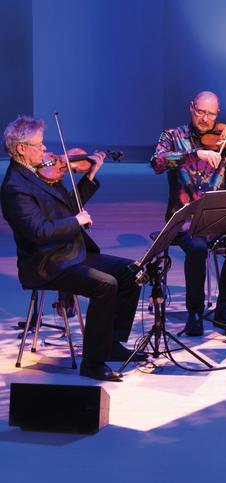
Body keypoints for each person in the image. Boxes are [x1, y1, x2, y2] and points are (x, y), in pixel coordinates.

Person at [1, 115, 143, 382]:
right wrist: (75, 222)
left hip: (69, 253)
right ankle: (93, 362)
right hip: (46, 263)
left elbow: (67, 204)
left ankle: (112, 343)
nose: (45, 150)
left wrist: (89, 177)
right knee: (105, 285)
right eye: (39, 145)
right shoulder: (15, 187)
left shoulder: (38, 173)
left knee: (131, 272)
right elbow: (38, 232)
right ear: (21, 148)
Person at [151, 91, 226, 336]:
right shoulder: (173, 136)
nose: (206, 119)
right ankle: (194, 312)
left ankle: (223, 311)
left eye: (211, 114)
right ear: (191, 107)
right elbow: (157, 163)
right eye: (201, 112)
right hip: (183, 219)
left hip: (215, 217)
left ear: (218, 113)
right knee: (197, 249)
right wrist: (193, 154)